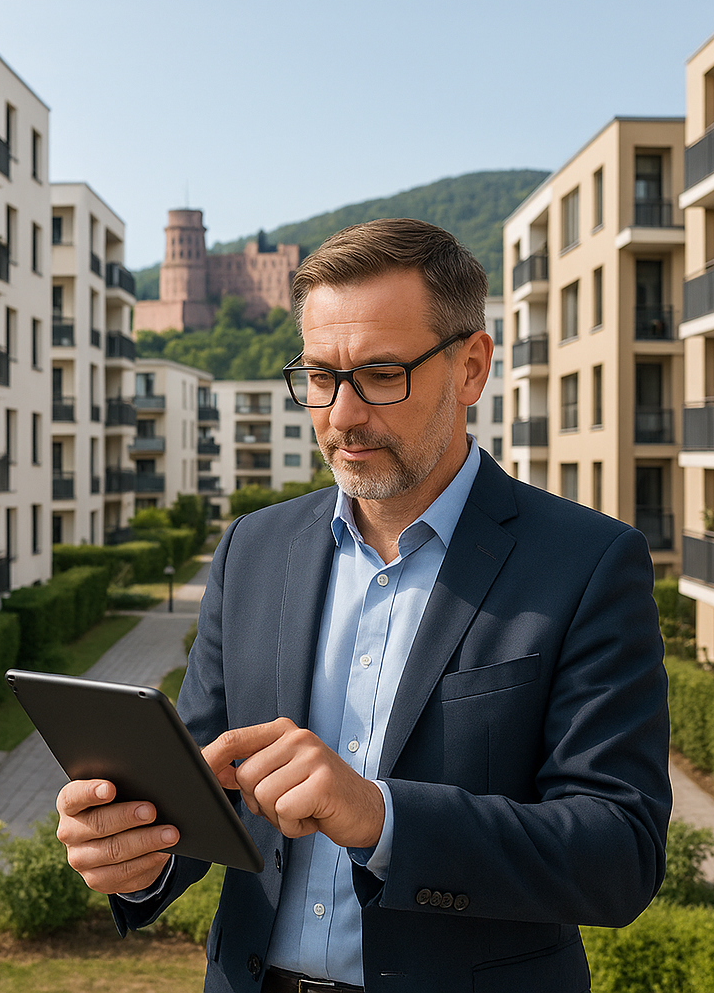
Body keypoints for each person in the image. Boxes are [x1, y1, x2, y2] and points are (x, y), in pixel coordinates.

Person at [57, 218, 671, 993]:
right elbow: (210, 788)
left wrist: (382, 817)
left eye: (382, 373)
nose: (342, 416)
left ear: (472, 367)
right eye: (320, 377)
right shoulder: (252, 548)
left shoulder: (587, 563)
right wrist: (135, 853)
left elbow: (620, 853)